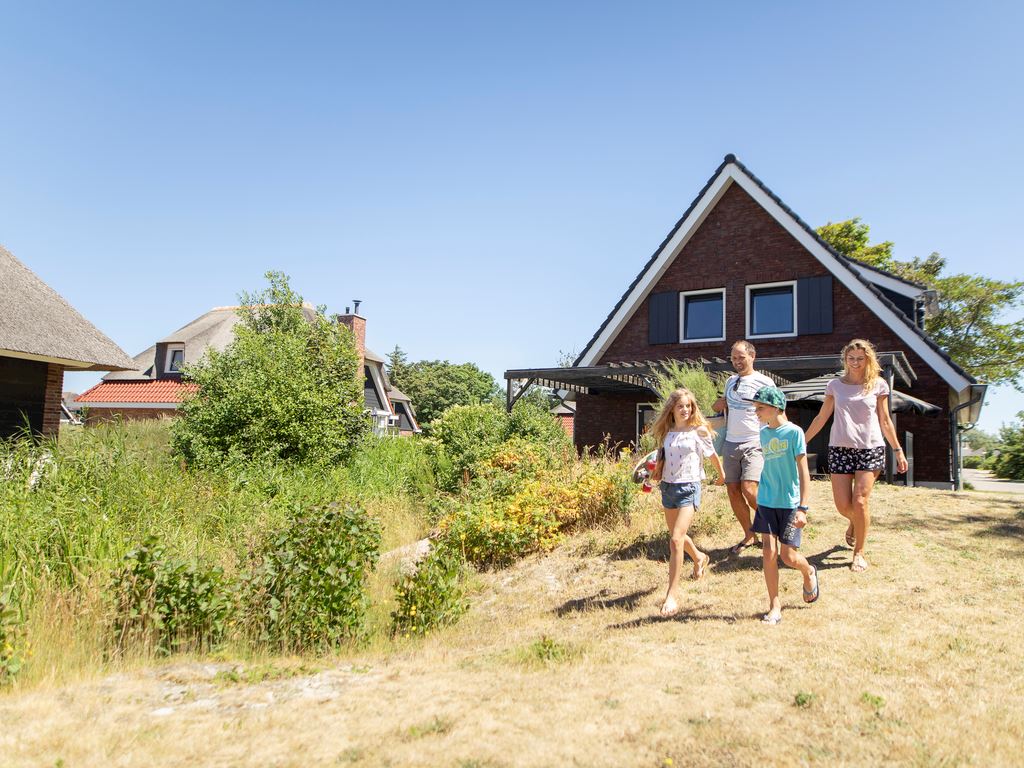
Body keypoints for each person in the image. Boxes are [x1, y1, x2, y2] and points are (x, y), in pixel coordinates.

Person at [804, 339, 908, 573]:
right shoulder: (834, 386)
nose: (856, 363)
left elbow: (884, 420)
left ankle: (859, 553)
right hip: (840, 449)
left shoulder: (878, 385)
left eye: (860, 359)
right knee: (844, 506)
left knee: (860, 501)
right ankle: (855, 521)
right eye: (851, 359)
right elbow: (821, 418)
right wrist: (802, 440)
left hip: (870, 449)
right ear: (845, 360)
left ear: (868, 359)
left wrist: (898, 450)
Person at [649, 388, 726, 618]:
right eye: (681, 406)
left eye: (689, 406)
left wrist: (721, 476)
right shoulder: (666, 432)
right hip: (668, 487)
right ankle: (700, 557)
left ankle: (671, 595)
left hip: (689, 488)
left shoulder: (698, 431)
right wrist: (653, 472)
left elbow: (712, 455)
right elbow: (661, 458)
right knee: (677, 535)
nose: (685, 410)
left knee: (675, 540)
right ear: (672, 408)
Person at [747, 385, 819, 625]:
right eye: (755, 408)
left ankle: (808, 572)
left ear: (776, 407)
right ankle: (774, 605)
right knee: (768, 551)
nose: (756, 412)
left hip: (789, 504)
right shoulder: (763, 433)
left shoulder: (794, 433)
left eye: (760, 408)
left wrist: (803, 508)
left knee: (788, 557)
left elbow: (803, 472)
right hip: (766, 500)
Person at [712, 340, 775, 554]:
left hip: (755, 441)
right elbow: (731, 403)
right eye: (734, 358)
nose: (737, 361)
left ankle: (775, 525)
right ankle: (749, 535)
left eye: (741, 357)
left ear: (752, 356)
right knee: (732, 490)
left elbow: (777, 408)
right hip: (731, 442)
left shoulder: (764, 381)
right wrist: (720, 403)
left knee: (749, 489)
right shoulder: (731, 381)